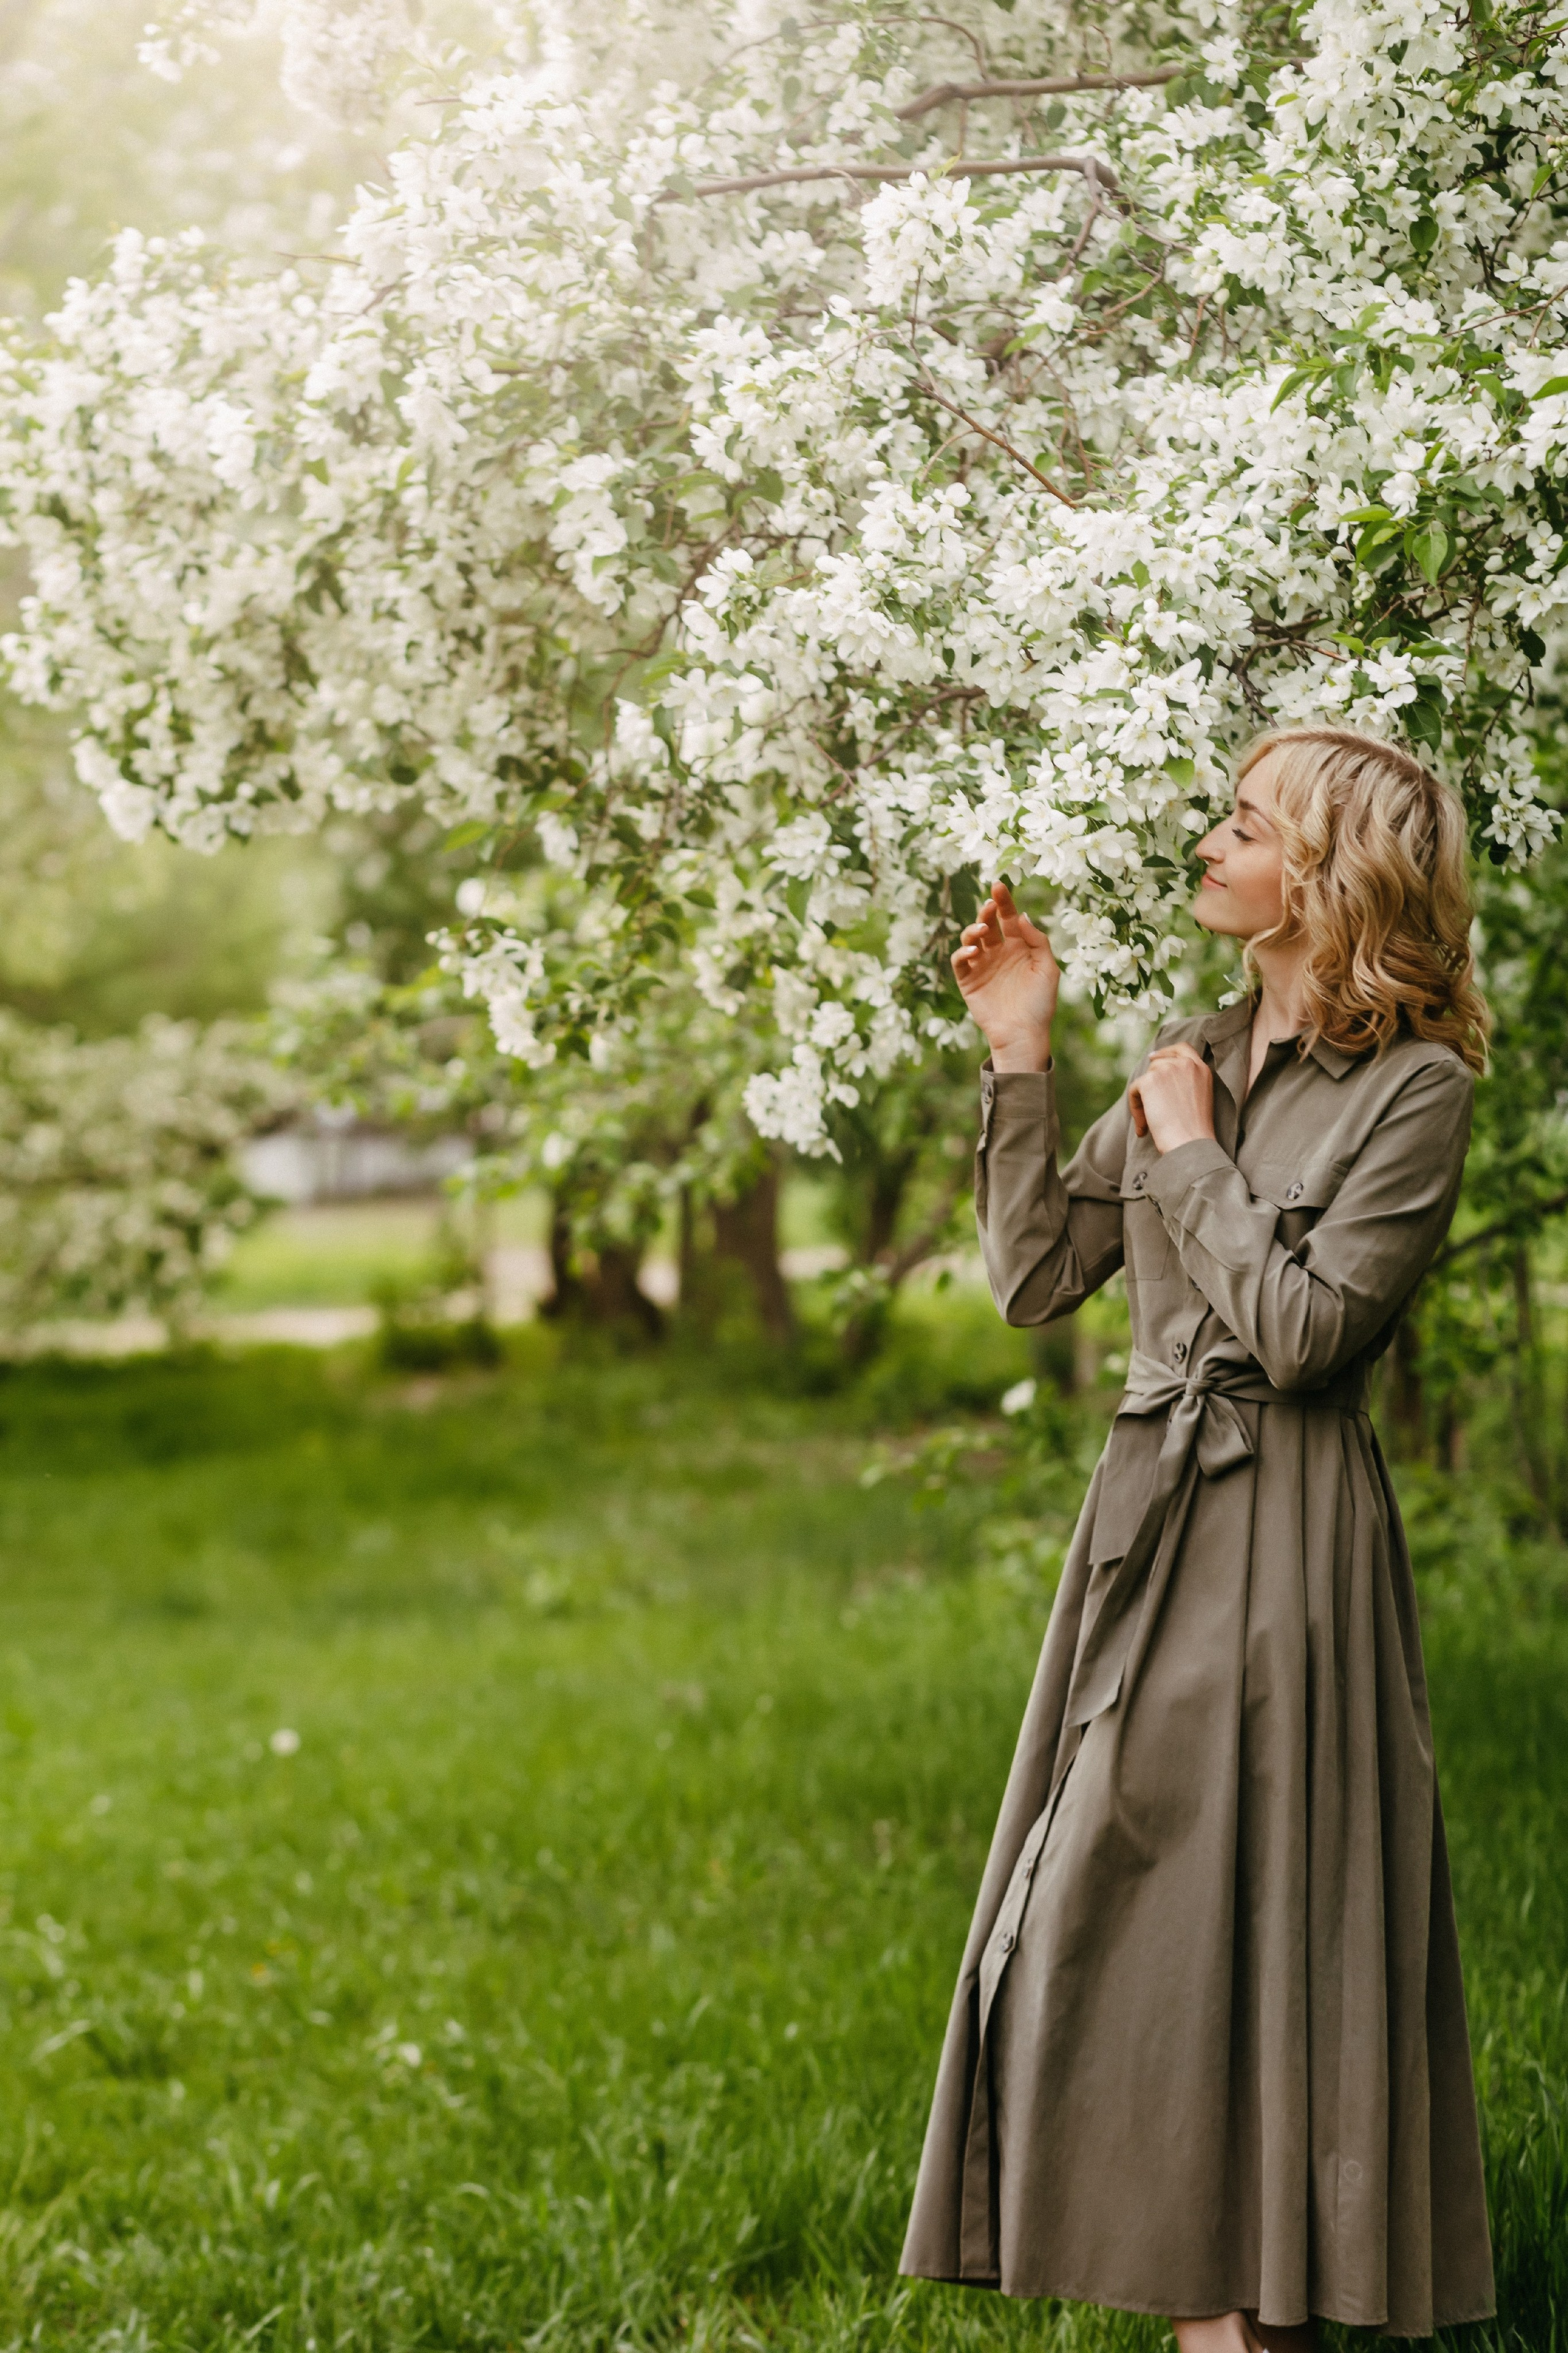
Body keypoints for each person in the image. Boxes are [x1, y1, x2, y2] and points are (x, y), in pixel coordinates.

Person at [899, 728, 1497, 2351]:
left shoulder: (1416, 1092)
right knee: (1115, 1917)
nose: (1211, 845)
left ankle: (1243, 2324)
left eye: (1243, 824)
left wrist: (1193, 1158)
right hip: (1149, 1536)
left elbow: (1306, 1338)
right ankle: (1217, 2318)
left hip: (1286, 1547)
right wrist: (1021, 1052)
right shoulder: (1193, 1054)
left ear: (1326, 874)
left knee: (1262, 1939)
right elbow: (1037, 1276)